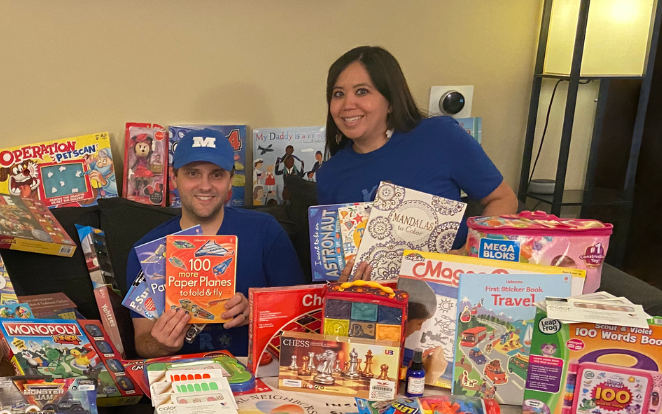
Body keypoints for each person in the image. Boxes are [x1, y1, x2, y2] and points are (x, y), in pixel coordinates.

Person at [316, 46, 518, 280]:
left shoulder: (440, 137)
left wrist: (468, 254)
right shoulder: (329, 174)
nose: (347, 104)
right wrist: (344, 282)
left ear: (390, 101)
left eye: (362, 91)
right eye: (338, 94)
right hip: (377, 302)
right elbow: (335, 266)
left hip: (452, 289)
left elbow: (503, 199)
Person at [126, 129, 305, 358]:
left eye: (217, 175)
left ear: (230, 180)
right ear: (173, 177)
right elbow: (142, 341)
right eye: (192, 173)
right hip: (183, 376)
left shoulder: (265, 230)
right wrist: (161, 344)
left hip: (255, 374)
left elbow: (302, 316)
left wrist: (258, 312)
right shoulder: (149, 251)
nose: (205, 186)